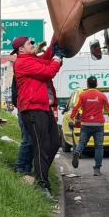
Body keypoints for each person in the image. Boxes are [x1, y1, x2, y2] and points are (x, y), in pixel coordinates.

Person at [13, 35, 68, 199]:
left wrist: (55, 41)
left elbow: (45, 59)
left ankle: (40, 176)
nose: (33, 45)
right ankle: (43, 186)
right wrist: (58, 57)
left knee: (54, 143)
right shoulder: (23, 62)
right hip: (32, 109)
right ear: (21, 49)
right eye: (30, 43)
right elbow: (49, 70)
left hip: (42, 107)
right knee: (41, 147)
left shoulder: (31, 59)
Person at [69, 76, 109, 175]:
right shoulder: (102, 95)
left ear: (87, 84)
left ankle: (77, 152)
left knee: (82, 142)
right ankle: (97, 169)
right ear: (96, 84)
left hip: (86, 124)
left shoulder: (83, 95)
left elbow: (76, 108)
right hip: (98, 124)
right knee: (98, 147)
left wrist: (71, 119)